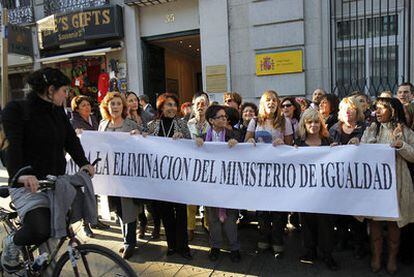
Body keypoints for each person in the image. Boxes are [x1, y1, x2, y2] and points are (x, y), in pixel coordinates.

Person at [1, 68, 95, 273]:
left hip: (55, 181)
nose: (66, 95)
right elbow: (13, 146)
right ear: (50, 90)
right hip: (27, 184)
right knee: (40, 228)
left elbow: (70, 139)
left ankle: (43, 264)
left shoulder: (58, 111)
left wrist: (84, 163)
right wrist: (21, 174)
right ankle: (12, 243)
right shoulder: (17, 109)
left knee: (61, 228)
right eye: (63, 91)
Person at [358, 97, 414, 274]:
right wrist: (355, 144)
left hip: (397, 182)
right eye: (377, 109)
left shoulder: (404, 130)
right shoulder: (371, 129)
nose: (378, 112)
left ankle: (391, 259)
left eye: (382, 108)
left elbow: (413, 155)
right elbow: (361, 152)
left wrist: (401, 145)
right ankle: (376, 256)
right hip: (376, 184)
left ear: (393, 111)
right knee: (374, 222)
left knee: (393, 224)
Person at [245, 90, 293, 258]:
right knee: (263, 207)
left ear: (277, 103)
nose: (271, 103)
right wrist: (250, 140)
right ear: (263, 104)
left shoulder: (285, 121)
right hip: (260, 172)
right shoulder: (255, 121)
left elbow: (290, 146)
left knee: (278, 208)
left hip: (278, 172)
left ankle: (278, 240)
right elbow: (247, 141)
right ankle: (264, 238)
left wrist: (283, 145)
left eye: (274, 100)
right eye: (268, 100)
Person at [147, 93, 192, 260]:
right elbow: (141, 142)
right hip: (160, 178)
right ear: (161, 107)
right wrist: (138, 133)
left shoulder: (182, 124)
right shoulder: (152, 125)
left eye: (174, 105)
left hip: (179, 177)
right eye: (168, 105)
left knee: (181, 212)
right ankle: (172, 245)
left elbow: (191, 145)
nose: (172, 108)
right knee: (166, 212)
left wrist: (184, 138)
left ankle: (184, 247)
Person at [195, 105, 241, 263]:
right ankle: (215, 247)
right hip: (210, 185)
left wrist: (237, 144)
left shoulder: (233, 134)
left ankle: (234, 248)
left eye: (225, 117)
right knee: (213, 218)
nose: (224, 119)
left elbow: (245, 151)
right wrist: (197, 143)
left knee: (230, 218)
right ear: (211, 120)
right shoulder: (201, 137)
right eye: (220, 117)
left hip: (229, 184)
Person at [98, 92, 142, 260]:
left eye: (118, 104)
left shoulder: (130, 124)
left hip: (127, 176)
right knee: (118, 208)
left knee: (128, 208)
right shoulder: (103, 125)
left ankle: (130, 242)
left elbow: (143, 144)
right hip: (110, 176)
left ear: (123, 107)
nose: (115, 107)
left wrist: (138, 136)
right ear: (107, 107)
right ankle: (126, 239)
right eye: (112, 104)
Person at [295, 108, 339, 271]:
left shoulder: (328, 141)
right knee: (306, 222)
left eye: (316, 122)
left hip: (325, 192)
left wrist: (338, 150)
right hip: (305, 192)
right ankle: (310, 251)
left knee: (325, 223)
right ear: (304, 125)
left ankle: (327, 254)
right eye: (309, 122)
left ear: (321, 124)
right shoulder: (298, 143)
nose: (313, 125)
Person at [328, 97, 367, 259]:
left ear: (358, 112)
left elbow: (373, 147)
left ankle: (360, 245)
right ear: (340, 113)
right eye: (345, 109)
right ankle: (342, 240)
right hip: (339, 178)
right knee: (340, 212)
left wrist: (361, 143)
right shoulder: (333, 129)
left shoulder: (366, 128)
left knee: (357, 215)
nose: (348, 112)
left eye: (351, 109)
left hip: (358, 179)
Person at [70, 95, 110, 237]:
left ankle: (95, 219)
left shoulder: (93, 119)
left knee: (95, 190)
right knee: (84, 192)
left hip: (94, 160)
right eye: (83, 105)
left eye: (88, 104)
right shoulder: (73, 122)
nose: (87, 107)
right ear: (77, 109)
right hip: (81, 162)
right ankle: (85, 224)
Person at [187, 92, 210, 241]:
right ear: (193, 107)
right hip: (191, 165)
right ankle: (190, 227)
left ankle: (208, 224)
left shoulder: (212, 124)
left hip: (208, 165)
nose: (201, 107)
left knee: (207, 196)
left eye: (204, 104)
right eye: (198, 104)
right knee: (190, 198)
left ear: (208, 106)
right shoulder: (187, 124)